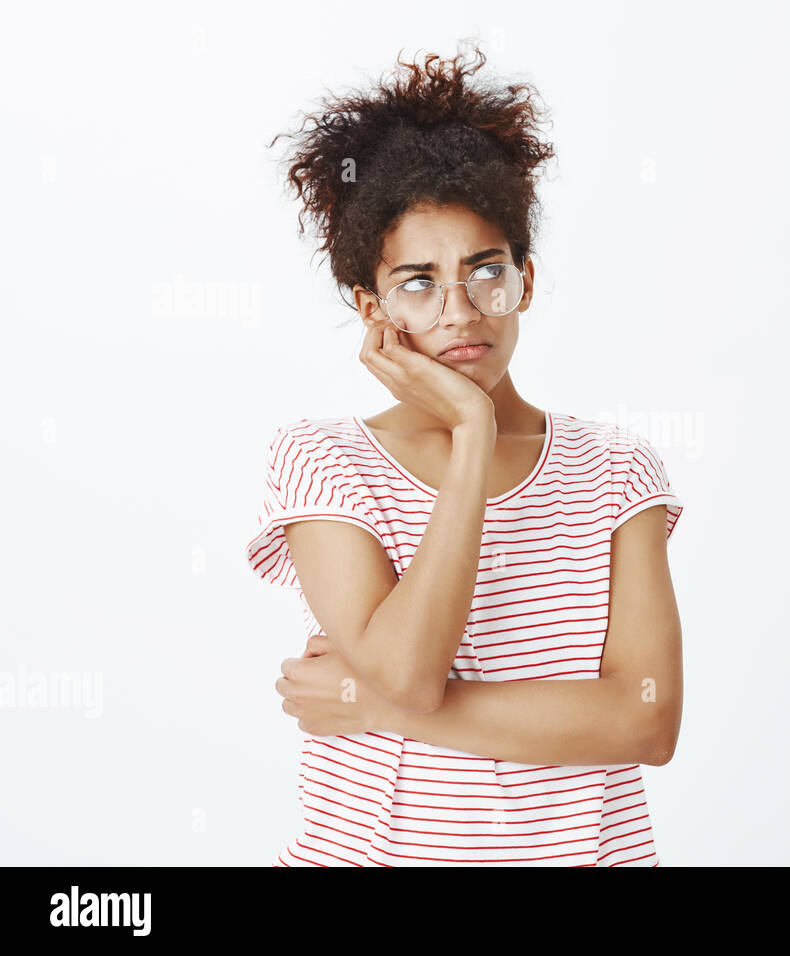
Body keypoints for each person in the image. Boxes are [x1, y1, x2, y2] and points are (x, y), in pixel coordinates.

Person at [246, 43, 684, 866]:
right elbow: (410, 672)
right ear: (371, 307)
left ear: (523, 276)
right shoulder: (324, 461)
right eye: (418, 282)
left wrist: (368, 703)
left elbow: (646, 721)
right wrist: (472, 432)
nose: (460, 311)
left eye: (485, 272)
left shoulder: (620, 470)